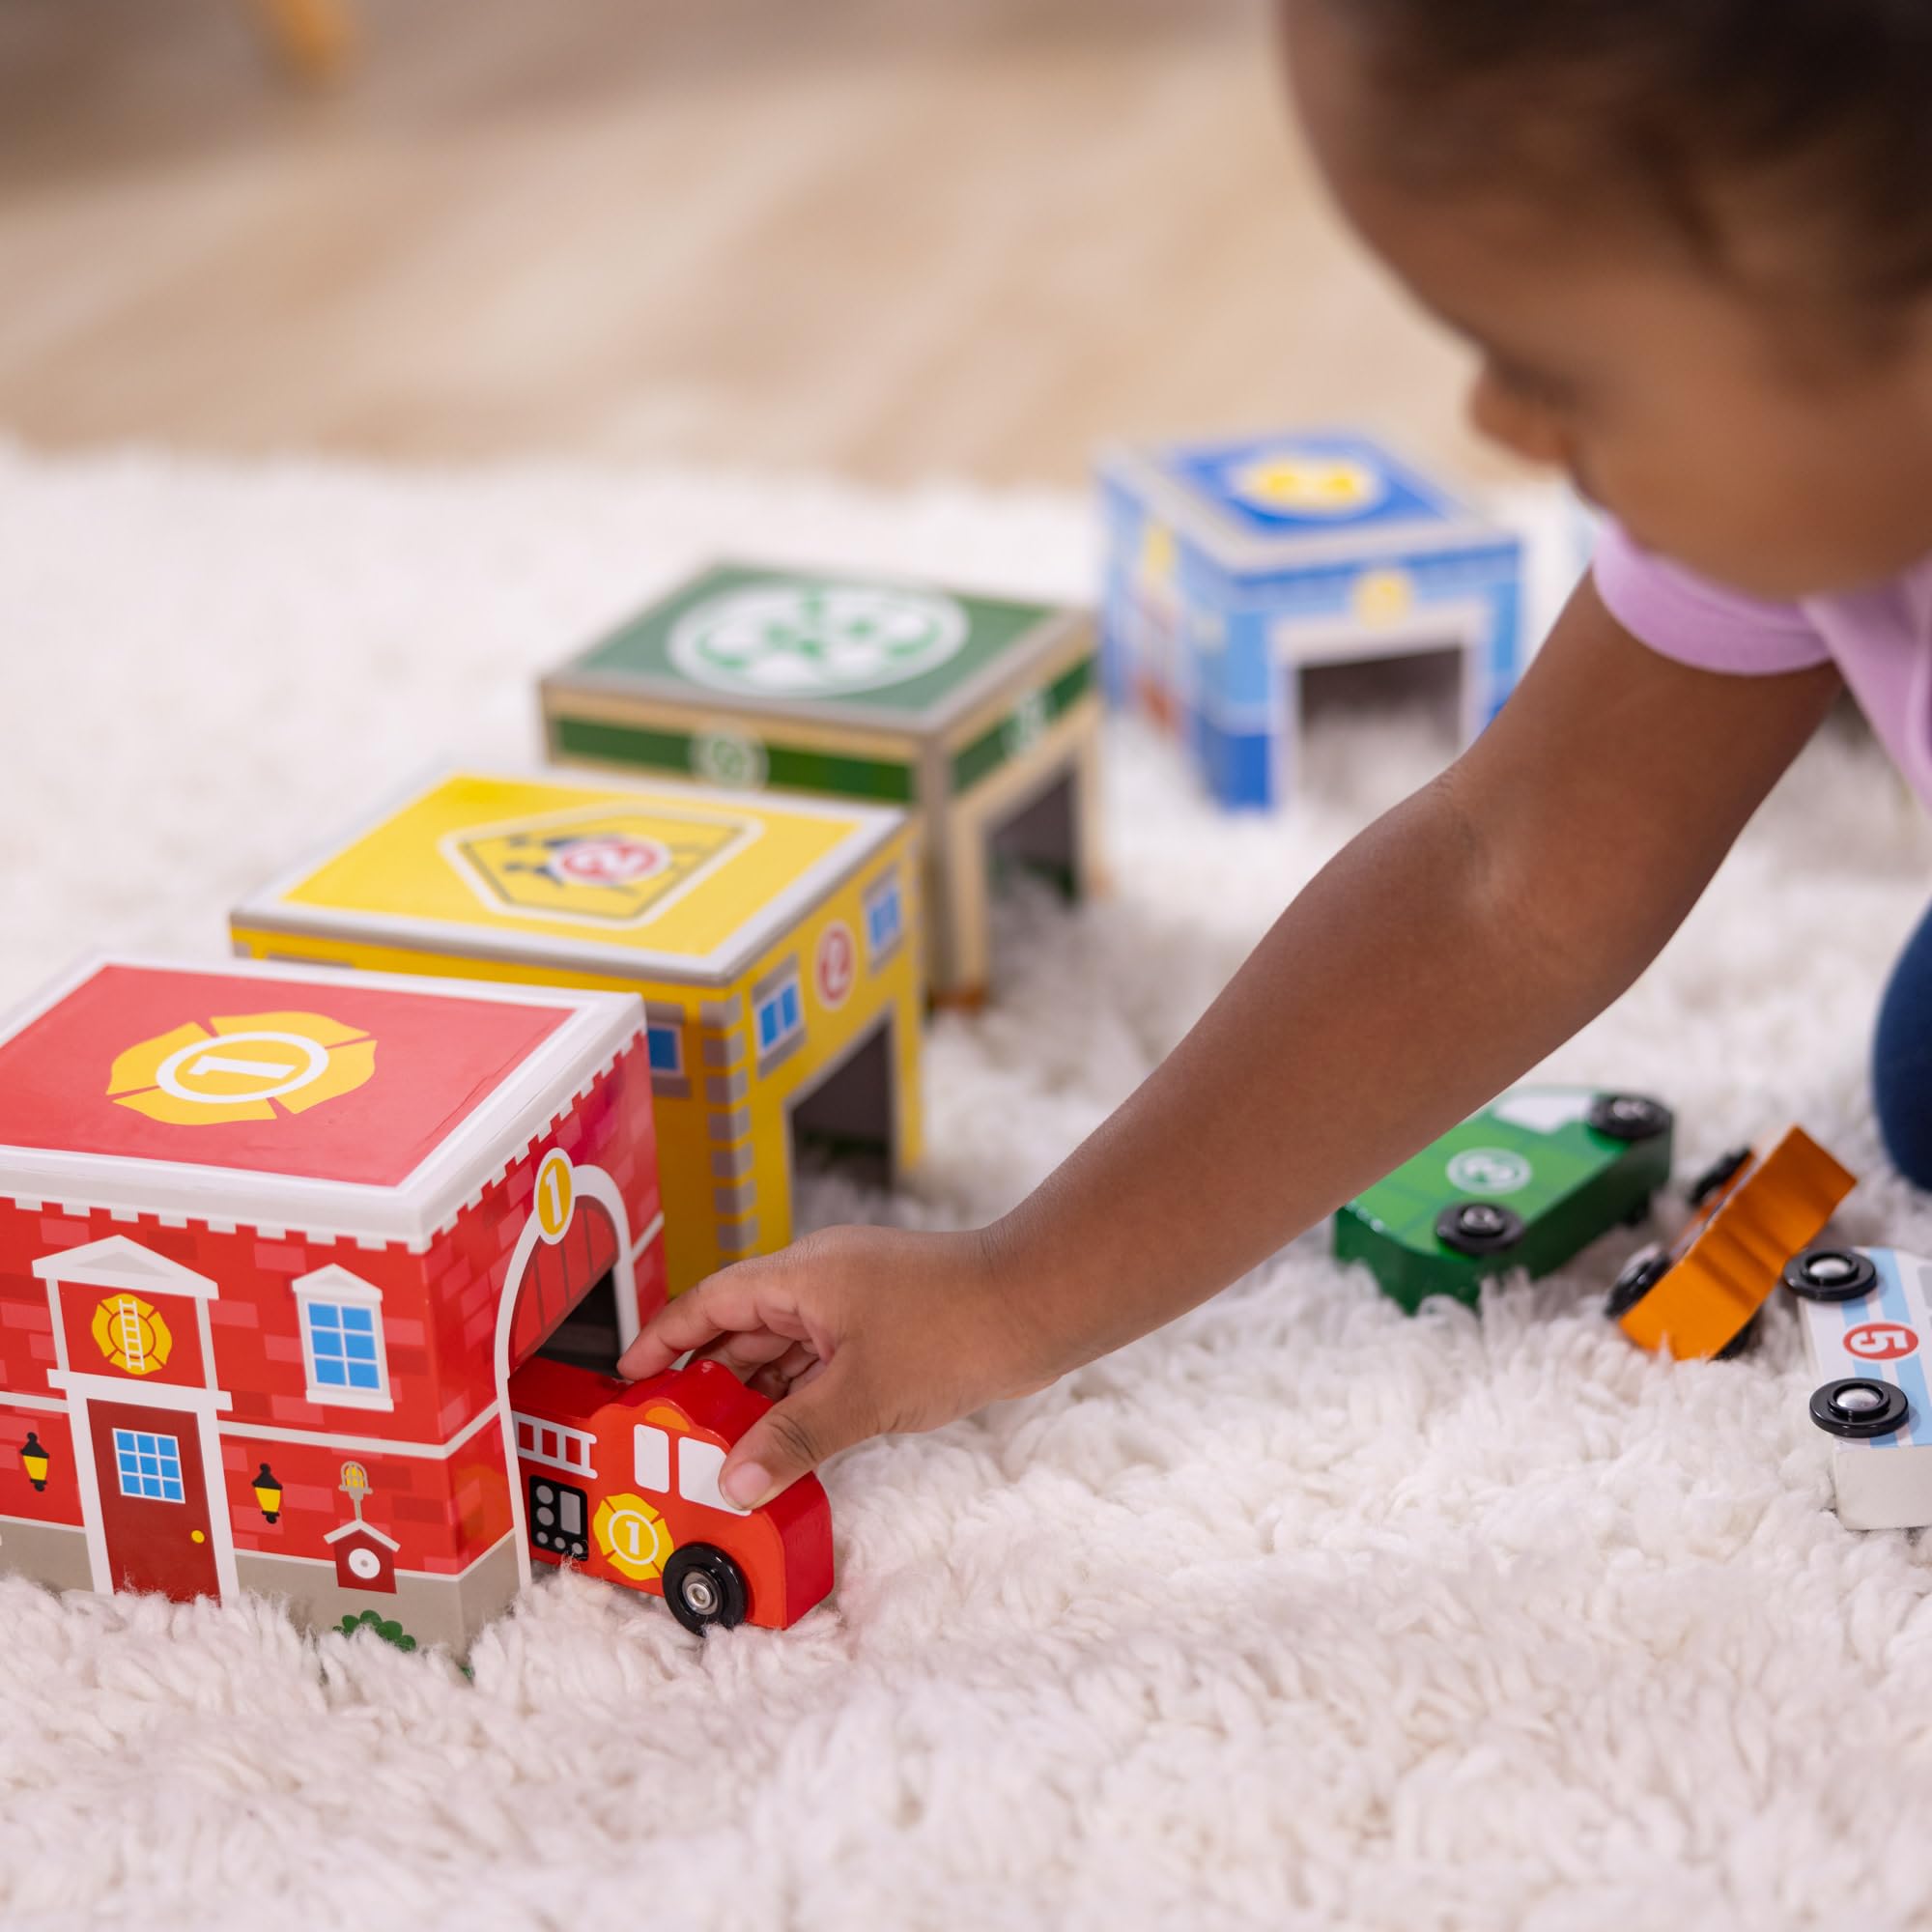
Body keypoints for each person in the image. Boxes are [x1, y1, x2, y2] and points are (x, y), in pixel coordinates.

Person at [619, 0, 1932, 1511]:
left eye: (1559, 372)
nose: (1498, 424)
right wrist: (1008, 1293)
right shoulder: (1810, 413)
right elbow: (1508, 879)